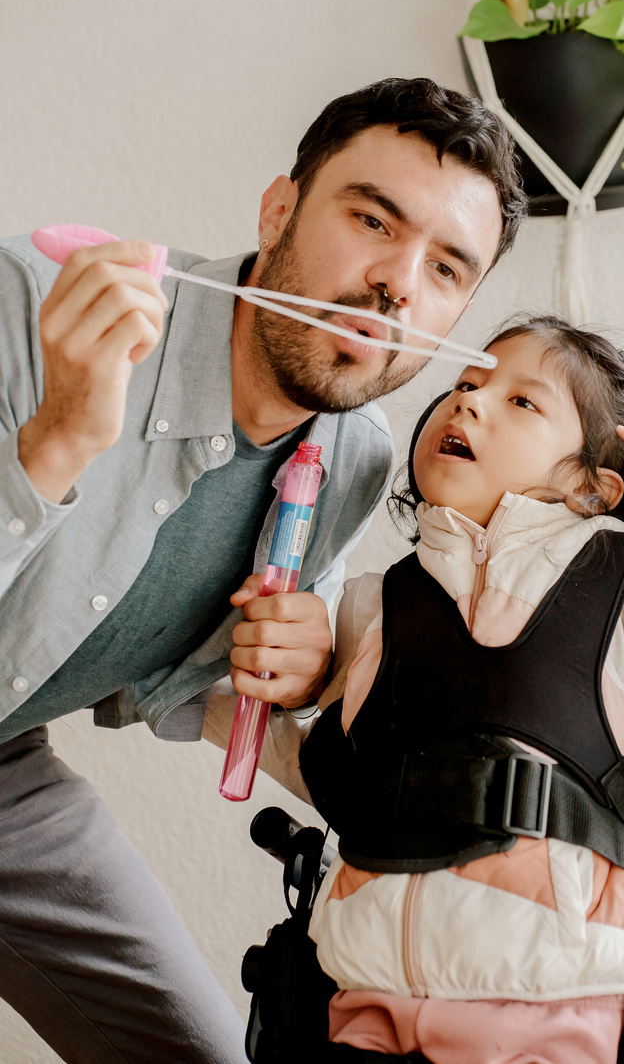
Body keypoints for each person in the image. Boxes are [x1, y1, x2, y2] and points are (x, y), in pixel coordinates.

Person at [0, 78, 527, 1064]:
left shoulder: (356, 461)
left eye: (447, 268)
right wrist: (54, 447)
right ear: (279, 210)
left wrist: (305, 673)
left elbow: (191, 684)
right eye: (373, 219)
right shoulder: (31, 301)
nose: (398, 283)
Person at [278, 315, 624, 1064]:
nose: (469, 402)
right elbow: (335, 777)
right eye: (467, 383)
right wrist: (288, 686)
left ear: (590, 484)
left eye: (520, 402)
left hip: (552, 1001)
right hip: (367, 992)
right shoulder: (380, 602)